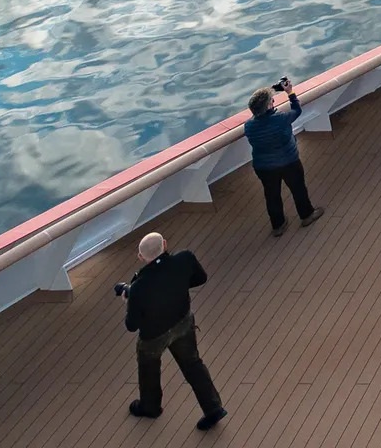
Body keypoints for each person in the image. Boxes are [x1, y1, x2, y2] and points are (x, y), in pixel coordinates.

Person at [123, 231, 226, 429]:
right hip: (183, 323)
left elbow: (131, 325)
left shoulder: (138, 287)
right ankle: (213, 408)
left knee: (148, 368)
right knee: (193, 364)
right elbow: (200, 278)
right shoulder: (184, 259)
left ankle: (150, 406)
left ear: (140, 257)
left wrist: (129, 302)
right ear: (165, 244)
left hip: (153, 336)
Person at [243, 78, 322, 236]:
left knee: (271, 195)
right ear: (270, 105)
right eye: (271, 100)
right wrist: (290, 92)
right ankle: (306, 215)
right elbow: (296, 110)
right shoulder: (280, 119)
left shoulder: (249, 126)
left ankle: (278, 225)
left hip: (263, 167)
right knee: (298, 188)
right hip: (288, 162)